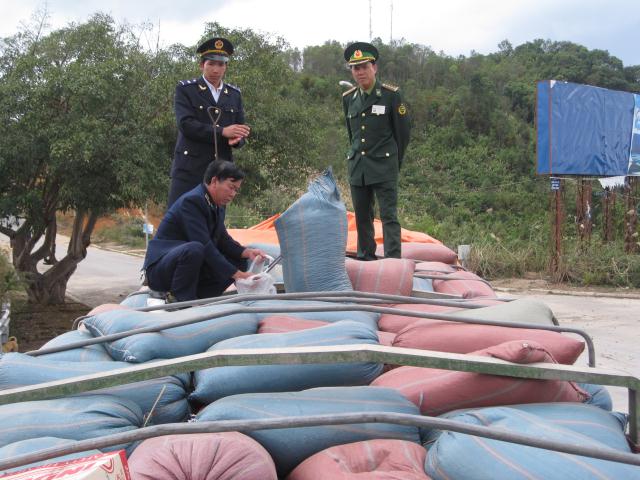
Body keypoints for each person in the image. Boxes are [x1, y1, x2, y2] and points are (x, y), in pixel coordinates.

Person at [144, 160, 265, 301]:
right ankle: (181, 300)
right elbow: (205, 244)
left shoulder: (216, 206)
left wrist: (247, 252)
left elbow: (223, 240)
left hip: (188, 266)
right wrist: (238, 274)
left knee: (239, 260)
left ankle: (202, 297)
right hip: (162, 269)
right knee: (195, 248)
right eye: (231, 187)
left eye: (236, 190)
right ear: (214, 181)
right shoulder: (192, 202)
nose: (233, 194)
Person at [341, 42, 411, 260]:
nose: (360, 72)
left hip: (384, 165)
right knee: (362, 216)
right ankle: (365, 257)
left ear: (375, 68)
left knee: (389, 216)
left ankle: (392, 261)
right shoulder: (348, 98)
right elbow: (352, 135)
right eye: (355, 68)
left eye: (364, 66)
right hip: (358, 167)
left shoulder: (391, 95)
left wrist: (393, 164)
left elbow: (402, 134)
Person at [167, 37, 251, 207]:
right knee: (179, 218)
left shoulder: (234, 94)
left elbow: (240, 129)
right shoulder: (186, 90)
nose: (216, 69)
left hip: (220, 172)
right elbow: (185, 124)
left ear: (226, 67)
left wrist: (237, 140)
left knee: (214, 224)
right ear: (202, 65)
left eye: (221, 65)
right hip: (190, 168)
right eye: (211, 64)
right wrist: (222, 132)